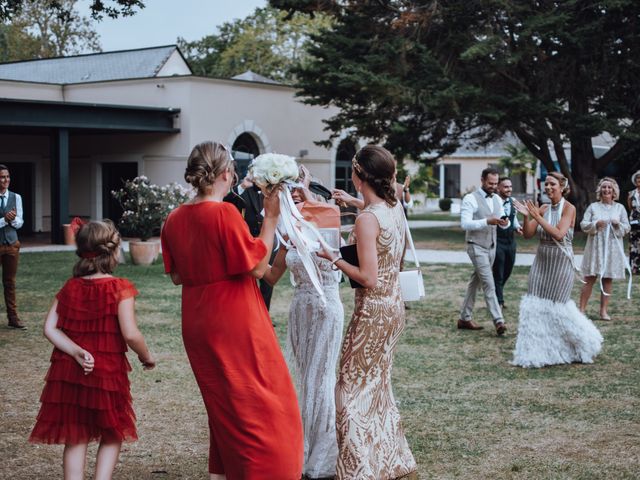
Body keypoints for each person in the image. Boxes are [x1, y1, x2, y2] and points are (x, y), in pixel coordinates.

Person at [160, 141, 303, 480]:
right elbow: (256, 268)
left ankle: (225, 471)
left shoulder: (174, 218)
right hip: (234, 319)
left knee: (225, 404)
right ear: (227, 173)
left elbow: (178, 276)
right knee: (264, 401)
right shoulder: (224, 212)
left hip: (196, 319)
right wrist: (270, 218)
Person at [29, 220, 156, 479]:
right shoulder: (119, 288)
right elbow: (130, 333)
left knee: (76, 436)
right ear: (112, 251)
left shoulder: (70, 286)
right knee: (112, 433)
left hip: (70, 374)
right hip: (106, 374)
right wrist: (146, 356)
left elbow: (50, 328)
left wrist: (75, 351)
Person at [319, 145, 417, 480]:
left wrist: (332, 257)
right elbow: (375, 214)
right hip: (395, 309)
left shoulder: (366, 220)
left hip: (372, 312)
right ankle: (389, 460)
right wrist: (354, 200)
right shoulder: (393, 208)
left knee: (346, 389)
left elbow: (367, 278)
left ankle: (359, 469)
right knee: (377, 386)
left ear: (360, 175)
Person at [263, 169, 343, 480]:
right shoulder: (288, 231)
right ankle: (301, 446)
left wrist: (306, 193)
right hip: (301, 310)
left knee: (320, 379)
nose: (295, 201)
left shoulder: (329, 220)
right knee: (303, 379)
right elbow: (271, 275)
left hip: (326, 309)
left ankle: (323, 457)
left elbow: (325, 221)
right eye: (290, 197)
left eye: (300, 196)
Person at [512, 172, 603, 368]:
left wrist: (537, 216)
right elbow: (528, 234)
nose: (548, 187)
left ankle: (585, 343)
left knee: (558, 308)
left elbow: (560, 234)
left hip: (561, 263)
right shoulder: (543, 208)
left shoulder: (568, 209)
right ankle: (536, 353)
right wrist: (528, 217)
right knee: (534, 306)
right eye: (546, 184)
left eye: (552, 184)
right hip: (541, 262)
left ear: (562, 187)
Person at [458, 167, 509, 336]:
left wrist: (505, 223)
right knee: (488, 282)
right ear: (482, 180)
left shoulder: (497, 200)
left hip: (491, 246)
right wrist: (487, 221)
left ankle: (464, 318)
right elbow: (465, 224)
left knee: (476, 281)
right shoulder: (470, 198)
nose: (493, 187)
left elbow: (503, 220)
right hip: (475, 245)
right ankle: (499, 321)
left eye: (496, 184)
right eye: (490, 183)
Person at [579, 177, 630, 320]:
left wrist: (617, 225)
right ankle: (581, 310)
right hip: (596, 246)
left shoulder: (620, 208)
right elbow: (583, 224)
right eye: (604, 187)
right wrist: (595, 224)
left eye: (609, 187)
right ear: (600, 190)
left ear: (614, 191)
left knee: (607, 279)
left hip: (612, 248)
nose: (606, 190)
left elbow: (627, 227)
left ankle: (603, 311)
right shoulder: (593, 207)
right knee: (589, 277)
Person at [224, 175, 277, 310]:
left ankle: (265, 312)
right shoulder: (243, 190)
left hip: (268, 242)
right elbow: (228, 199)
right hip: (247, 241)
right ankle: (250, 310)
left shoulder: (273, 192)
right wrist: (242, 186)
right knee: (248, 280)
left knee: (267, 284)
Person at [492, 177, 523, 309]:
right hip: (498, 240)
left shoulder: (513, 201)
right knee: (498, 271)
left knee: (508, 270)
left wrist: (517, 227)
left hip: (511, 241)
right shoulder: (493, 201)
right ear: (498, 188)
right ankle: (499, 301)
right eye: (505, 187)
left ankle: (494, 292)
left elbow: (513, 217)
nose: (509, 189)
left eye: (510, 186)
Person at [0, 164, 25, 329]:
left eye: (8, 176)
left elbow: (20, 223)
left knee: (10, 283)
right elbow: (7, 221)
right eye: (2, 177)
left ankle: (13, 318)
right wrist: (5, 220)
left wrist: (13, 219)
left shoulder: (16, 197)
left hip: (12, 245)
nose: (6, 180)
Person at [627, 170, 640, 274]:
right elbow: (630, 207)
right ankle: (634, 267)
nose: (639, 180)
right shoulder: (631, 193)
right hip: (635, 222)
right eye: (638, 178)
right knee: (634, 244)